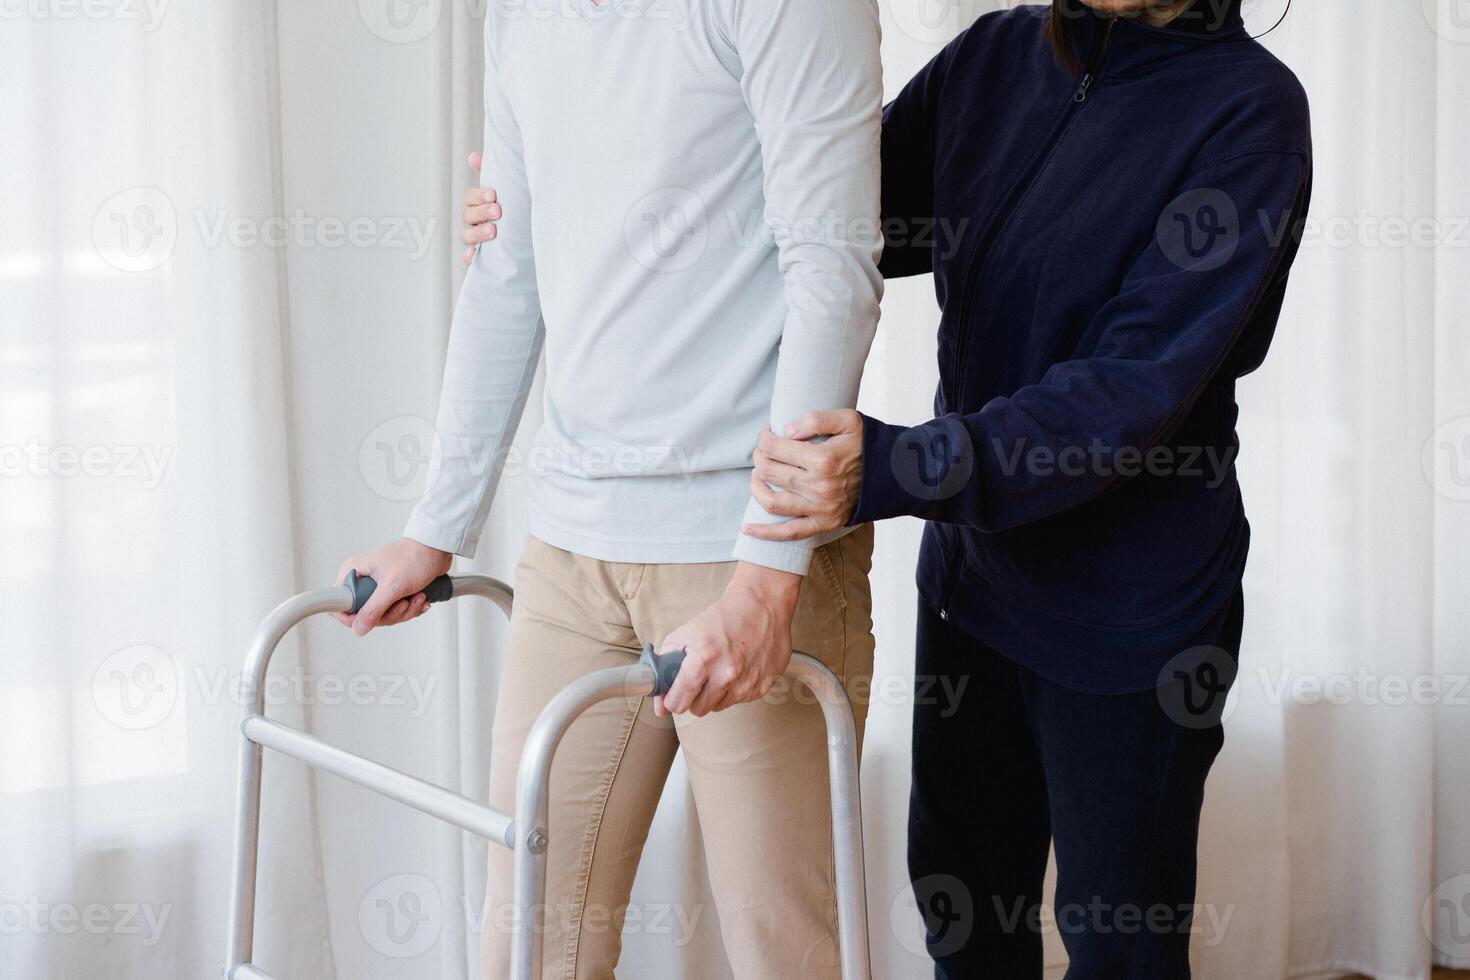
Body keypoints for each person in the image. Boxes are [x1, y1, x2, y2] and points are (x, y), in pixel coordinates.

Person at [464, 0, 1311, 976]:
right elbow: (826, 206)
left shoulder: (1248, 113)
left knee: (1120, 940)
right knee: (962, 916)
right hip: (976, 590)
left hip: (1132, 620)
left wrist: (898, 464)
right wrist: (561, 197)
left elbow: (1127, 395)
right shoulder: (996, 56)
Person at [338, 0, 884, 976]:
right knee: (530, 941)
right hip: (573, 549)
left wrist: (766, 575)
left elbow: (831, 273)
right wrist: (437, 525)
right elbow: (506, 273)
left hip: (742, 549)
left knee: (786, 948)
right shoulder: (522, 17)